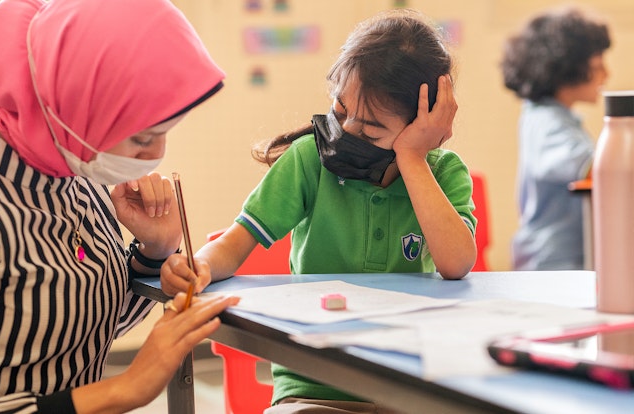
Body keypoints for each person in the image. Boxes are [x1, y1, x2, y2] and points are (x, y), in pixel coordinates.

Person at [0, 0, 240, 412]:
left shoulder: (74, 169)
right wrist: (125, 388)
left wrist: (154, 254)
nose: (154, 157)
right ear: (73, 106)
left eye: (165, 134)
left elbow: (84, 327)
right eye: (143, 138)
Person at [161, 8, 476, 413]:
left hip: (406, 384)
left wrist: (413, 158)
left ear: (425, 121)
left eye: (370, 128)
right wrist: (197, 266)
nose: (345, 132)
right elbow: (235, 242)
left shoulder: (443, 173)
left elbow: (456, 263)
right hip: (313, 386)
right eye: (340, 111)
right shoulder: (309, 159)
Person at [502, 7, 611, 271]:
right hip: (551, 263)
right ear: (568, 70)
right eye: (596, 66)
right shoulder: (547, 122)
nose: (605, 75)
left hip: (563, 259)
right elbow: (593, 168)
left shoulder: (556, 119)